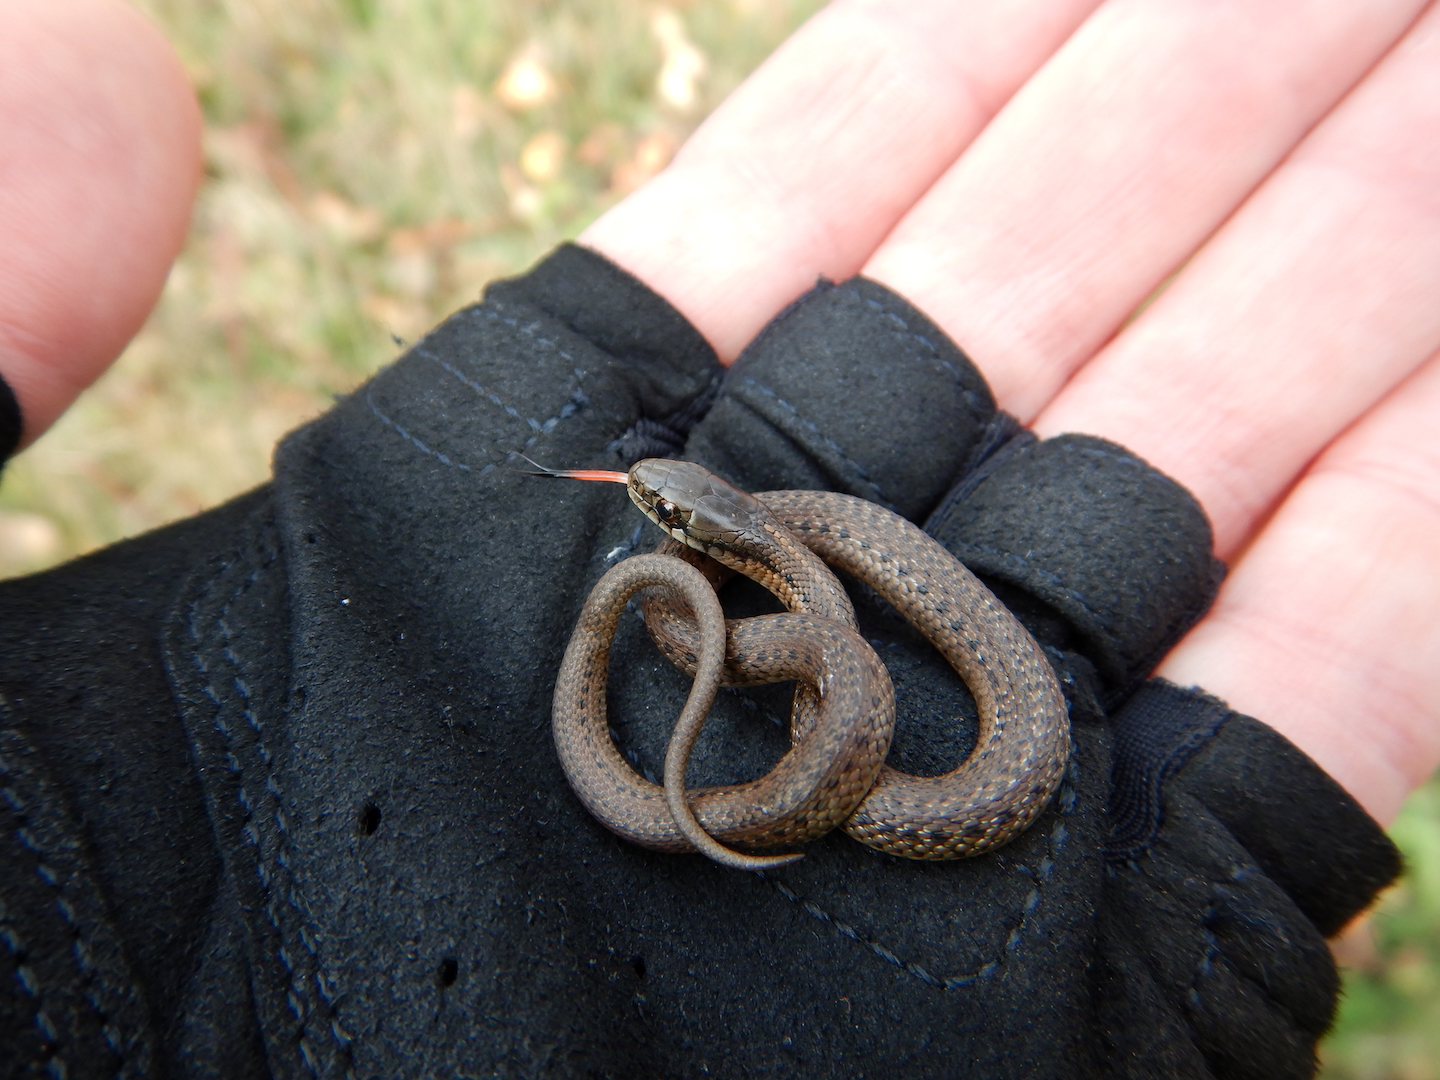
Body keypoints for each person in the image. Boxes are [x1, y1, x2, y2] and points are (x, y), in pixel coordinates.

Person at [1, 0, 1436, 1076]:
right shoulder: (731, 586)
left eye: (664, 514)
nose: (651, 510)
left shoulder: (751, 590)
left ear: (712, 530)